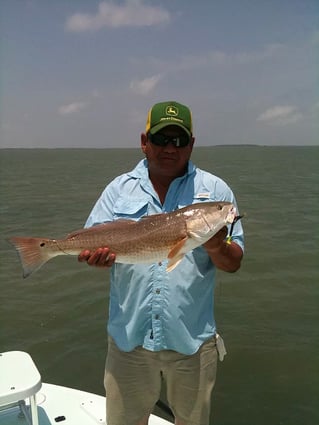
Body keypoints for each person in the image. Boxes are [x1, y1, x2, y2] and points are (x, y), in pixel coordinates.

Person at [78, 101, 244, 425]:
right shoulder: (118, 189)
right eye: (161, 139)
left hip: (192, 343)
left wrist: (214, 243)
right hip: (129, 342)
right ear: (144, 142)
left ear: (191, 144)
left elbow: (234, 261)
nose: (170, 148)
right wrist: (95, 260)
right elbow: (92, 239)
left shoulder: (215, 193)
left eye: (179, 140)